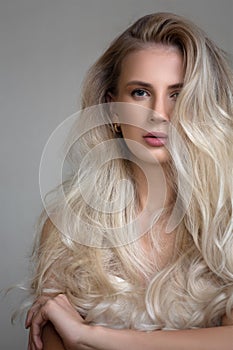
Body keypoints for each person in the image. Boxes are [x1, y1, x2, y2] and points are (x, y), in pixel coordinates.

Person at [25, 12, 233, 349]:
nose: (159, 114)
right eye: (140, 92)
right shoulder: (66, 231)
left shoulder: (226, 224)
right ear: (112, 107)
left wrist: (96, 338)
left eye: (177, 94)